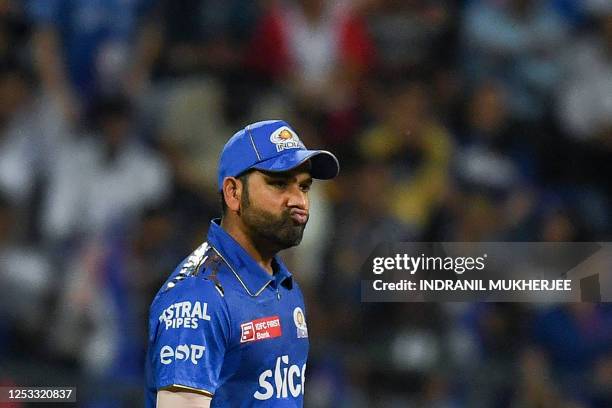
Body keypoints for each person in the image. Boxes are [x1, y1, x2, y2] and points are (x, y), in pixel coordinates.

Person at [145, 120, 339, 407]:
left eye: (304, 187)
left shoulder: (284, 285)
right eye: (279, 183)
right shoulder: (198, 298)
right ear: (233, 193)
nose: (299, 201)